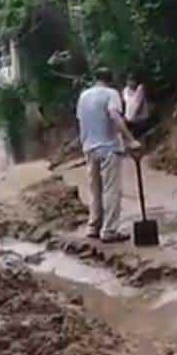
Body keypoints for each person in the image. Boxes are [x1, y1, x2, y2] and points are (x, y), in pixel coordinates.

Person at [76, 68, 141, 242]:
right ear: (110, 80)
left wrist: (85, 144)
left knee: (95, 189)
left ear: (95, 79)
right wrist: (130, 140)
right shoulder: (111, 94)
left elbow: (81, 121)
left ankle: (93, 226)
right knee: (111, 190)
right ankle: (109, 230)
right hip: (108, 148)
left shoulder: (83, 96)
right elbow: (114, 115)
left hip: (89, 148)